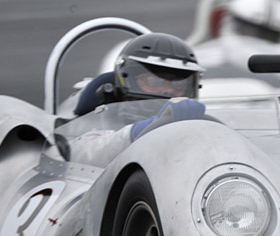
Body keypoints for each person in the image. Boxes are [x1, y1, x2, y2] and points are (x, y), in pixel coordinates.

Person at [61, 33, 207, 163]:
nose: (168, 90)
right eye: (154, 81)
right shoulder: (97, 117)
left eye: (179, 84)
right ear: (128, 80)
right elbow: (77, 153)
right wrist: (137, 132)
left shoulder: (194, 123)